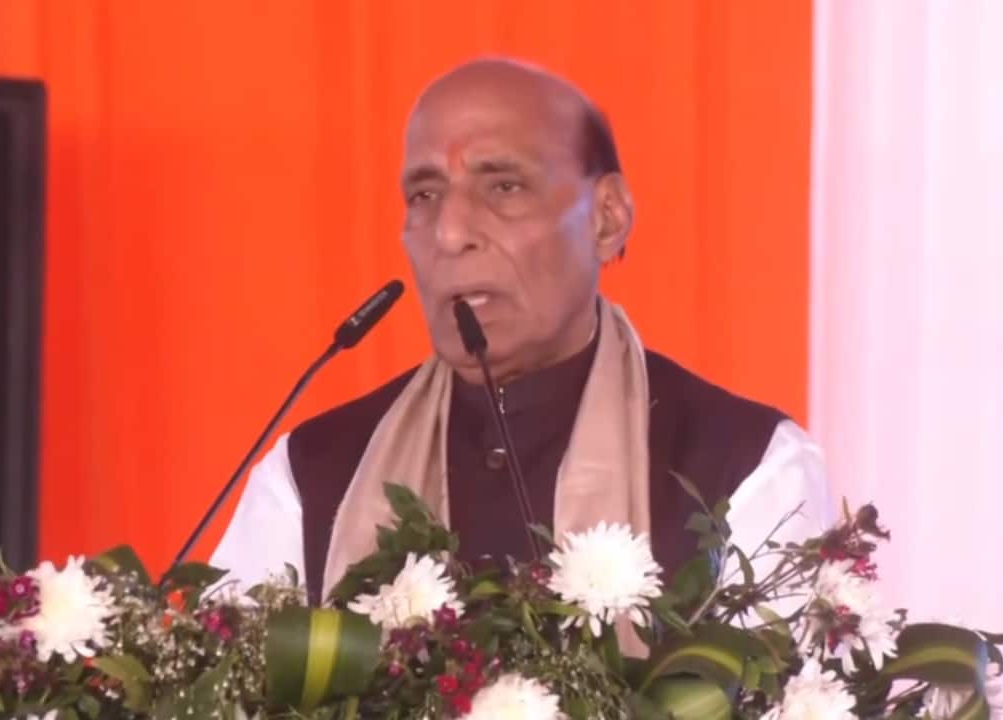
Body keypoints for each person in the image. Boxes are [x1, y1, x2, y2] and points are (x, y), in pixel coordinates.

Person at [210, 57, 831, 606]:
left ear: (607, 218)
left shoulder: (747, 469)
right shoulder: (313, 476)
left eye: (504, 187)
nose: (450, 232)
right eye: (424, 195)